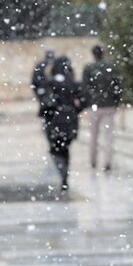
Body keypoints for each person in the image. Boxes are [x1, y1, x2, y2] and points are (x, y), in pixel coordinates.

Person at [32, 55, 83, 194]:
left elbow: (45, 103)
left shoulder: (50, 83)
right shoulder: (72, 83)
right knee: (65, 149)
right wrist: (73, 110)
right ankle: (64, 175)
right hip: (70, 121)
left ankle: (62, 174)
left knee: (56, 150)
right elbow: (83, 100)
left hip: (54, 121)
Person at [81, 45, 122, 171]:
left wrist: (86, 102)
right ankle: (107, 161)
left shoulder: (88, 69)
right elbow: (117, 87)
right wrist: (116, 102)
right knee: (108, 135)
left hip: (94, 106)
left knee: (93, 135)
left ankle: (93, 161)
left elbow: (85, 88)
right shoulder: (112, 68)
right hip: (109, 106)